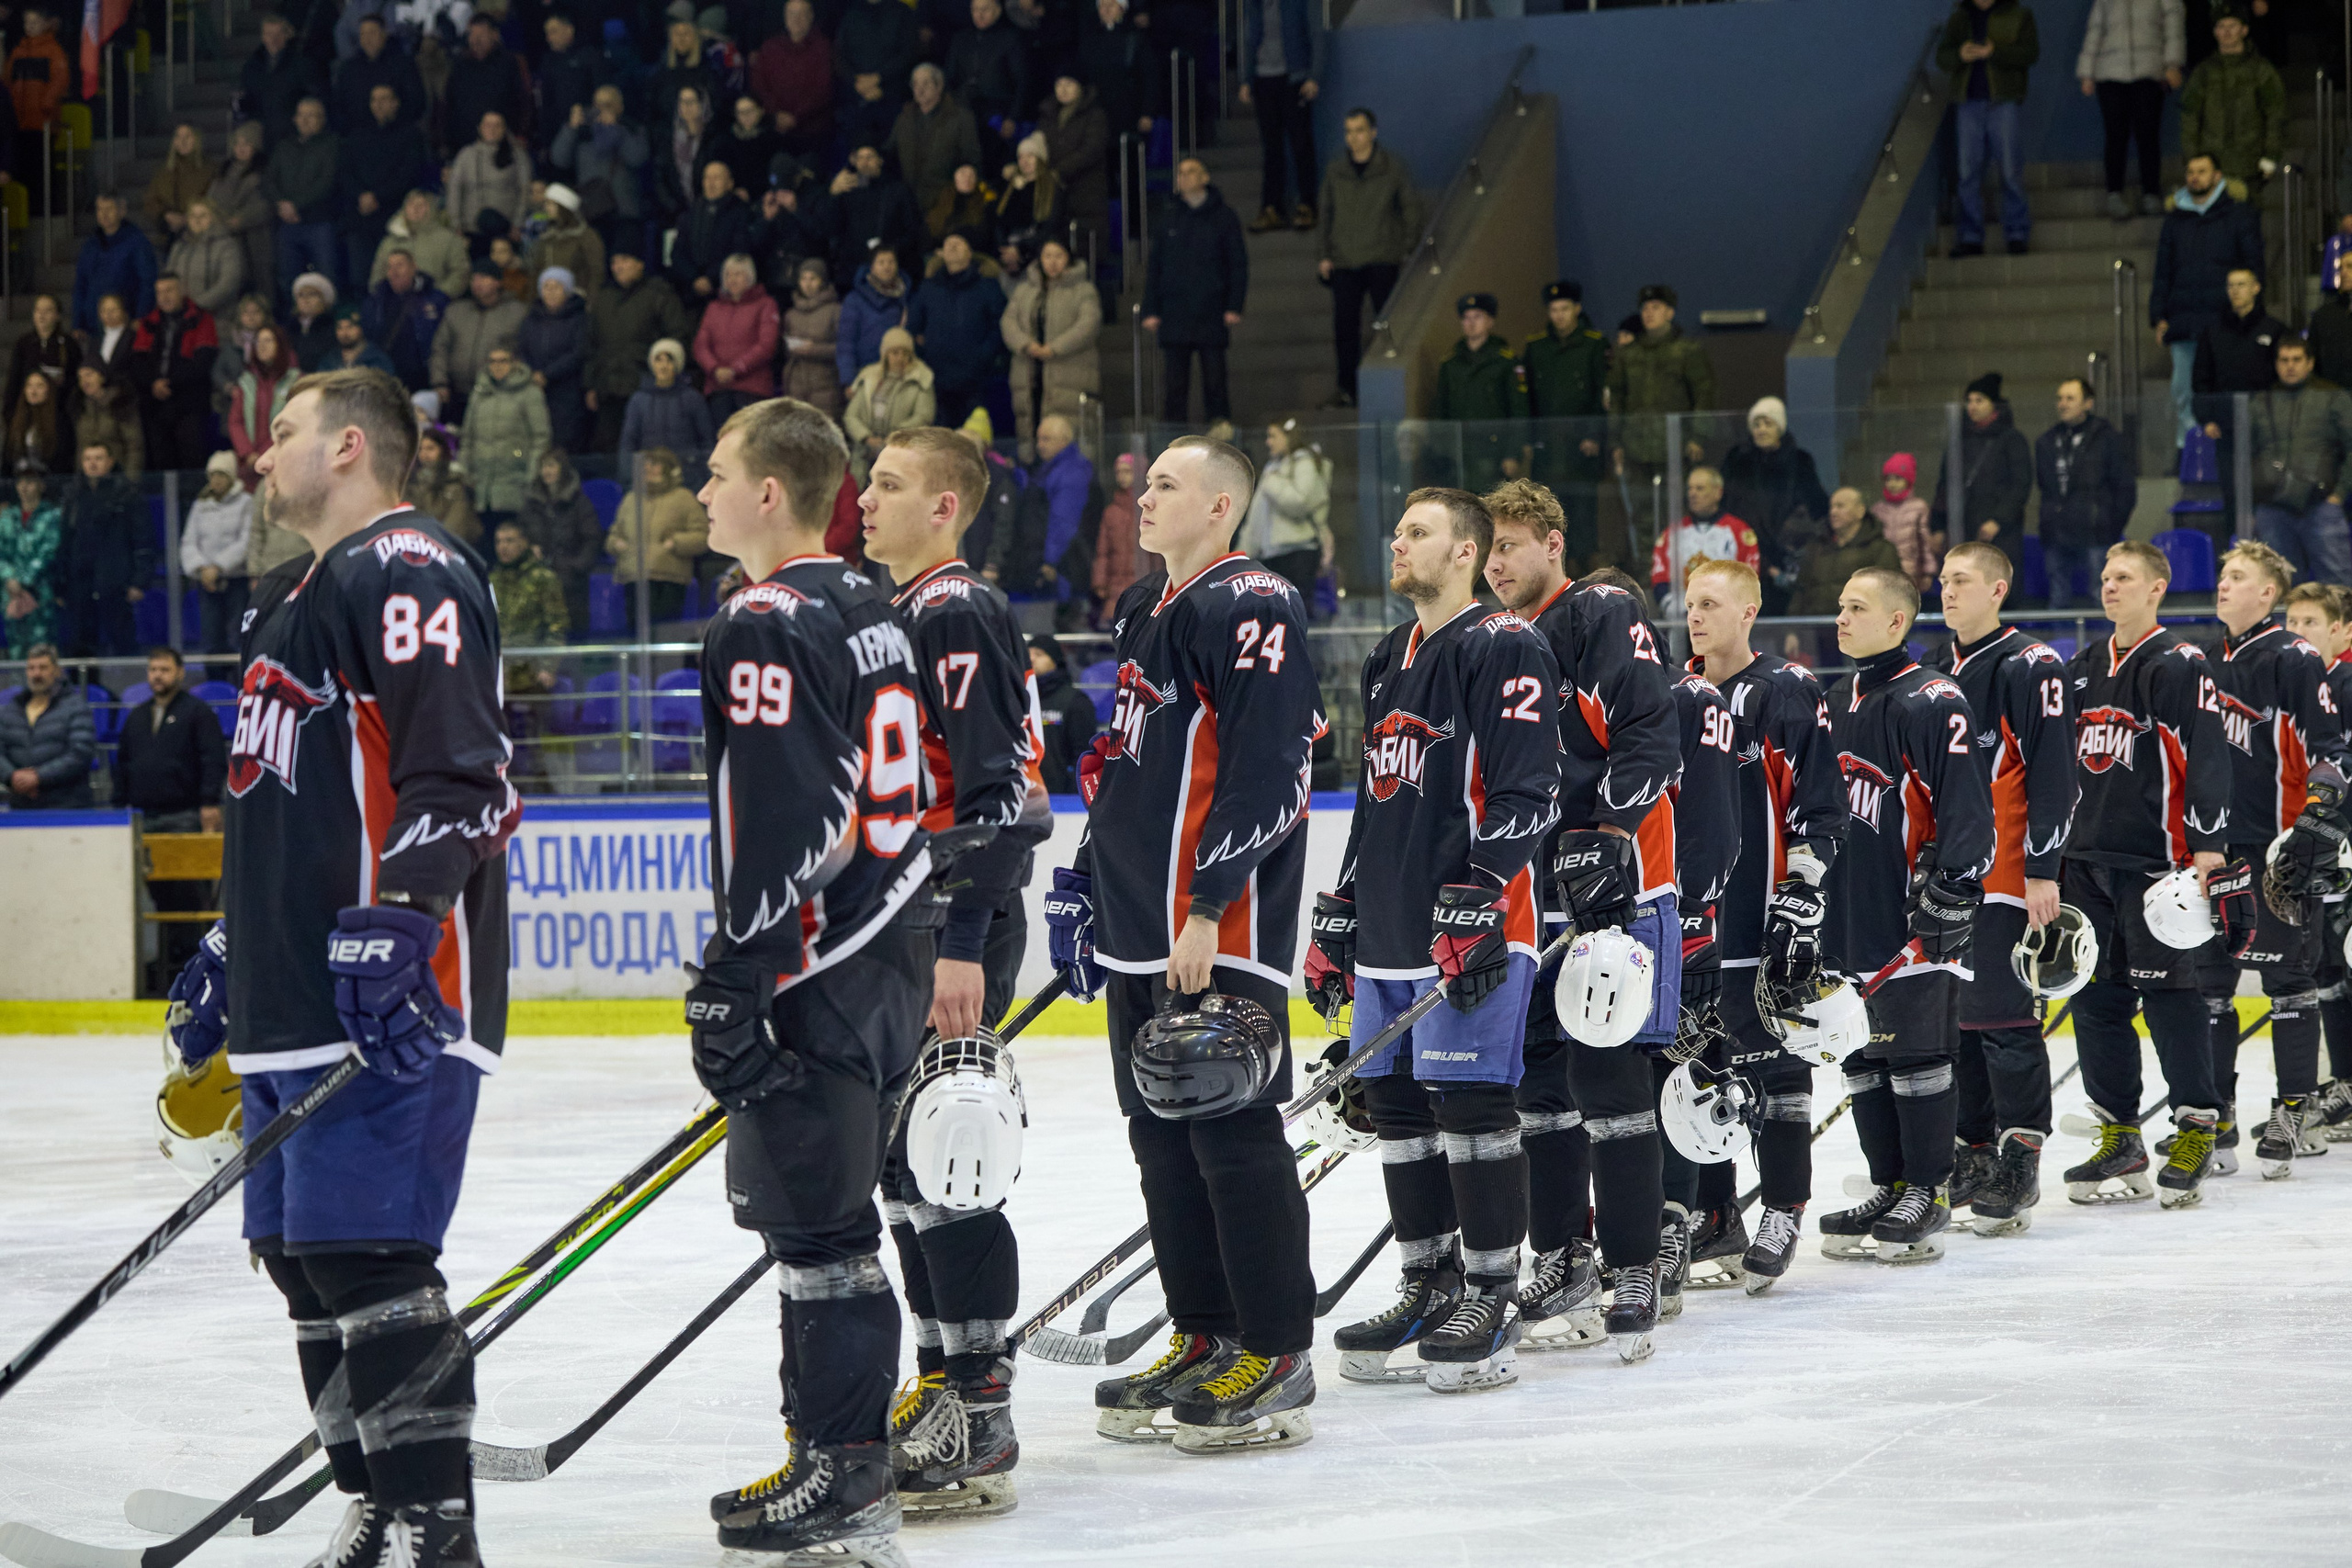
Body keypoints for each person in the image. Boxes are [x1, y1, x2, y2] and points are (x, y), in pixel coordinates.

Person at [159, 367, 516, 1568]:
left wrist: (405, 912)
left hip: (388, 991)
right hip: (292, 990)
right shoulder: (290, 593)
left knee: (371, 1259)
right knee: (303, 1263)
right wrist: (231, 939)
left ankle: (433, 1532)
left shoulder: (408, 565)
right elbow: (281, 799)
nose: (261, 457)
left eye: (284, 432)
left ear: (351, 445)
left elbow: (462, 771)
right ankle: (377, 1506)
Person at [684, 395, 935, 1566]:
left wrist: (737, 970)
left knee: (820, 1232)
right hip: (887, 945)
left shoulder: (762, 617)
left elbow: (788, 808)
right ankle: (828, 1458)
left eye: (716, 472)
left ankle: (847, 1477)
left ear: (770, 492)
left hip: (816, 958)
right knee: (827, 1224)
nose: (702, 492)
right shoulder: (871, 604)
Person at [1046, 435, 1321, 1451]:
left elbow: (1272, 767)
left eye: (1166, 483)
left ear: (1220, 506)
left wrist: (1208, 904)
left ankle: (1277, 1350)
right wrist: (1084, 881)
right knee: (1159, 1135)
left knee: (1231, 1133)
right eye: (1143, 483)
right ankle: (1206, 1332)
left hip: (1215, 923)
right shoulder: (1144, 607)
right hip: (1137, 925)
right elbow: (1122, 764)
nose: (1143, 497)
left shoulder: (1253, 601)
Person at [1309, 483, 1556, 1394]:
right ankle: (1428, 1282)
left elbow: (1530, 788)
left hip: (1474, 924)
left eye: (1417, 531)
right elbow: (1375, 798)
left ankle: (1491, 1292)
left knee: (1473, 1106)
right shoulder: (1387, 654)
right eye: (1396, 529)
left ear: (1465, 552)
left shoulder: (1505, 643)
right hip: (1388, 924)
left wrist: (1483, 893)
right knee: (1399, 1110)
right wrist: (1341, 905)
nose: (1397, 543)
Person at [854, 425, 1054, 1517]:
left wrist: (964, 937)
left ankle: (980, 1407)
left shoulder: (955, 609)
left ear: (945, 507)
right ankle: (940, 1382)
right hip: (906, 925)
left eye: (888, 485)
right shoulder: (902, 612)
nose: (864, 500)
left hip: (949, 926)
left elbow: (1000, 791)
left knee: (950, 1153)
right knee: (905, 1171)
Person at [1470, 479, 1682, 1353]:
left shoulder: (1597, 611)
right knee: (1539, 1090)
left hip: (1617, 886)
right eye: (1487, 550)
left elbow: (1650, 733)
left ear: (1552, 543)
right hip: (1533, 899)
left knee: (1611, 1080)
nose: (1495, 564)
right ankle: (1564, 1255)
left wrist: (1611, 834)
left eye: (1509, 546)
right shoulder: (1493, 642)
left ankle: (1635, 1262)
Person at [1804, 568, 1994, 1263]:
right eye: (1840, 605)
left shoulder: (1932, 698)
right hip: (1845, 911)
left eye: (1856, 607)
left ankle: (1928, 1189)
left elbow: (1967, 805)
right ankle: (1888, 1184)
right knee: (1861, 1053)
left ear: (1896, 622)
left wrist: (1954, 887)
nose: (1841, 617)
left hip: (1910, 913)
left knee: (1916, 1053)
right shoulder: (1835, 699)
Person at [1680, 557, 1847, 1288]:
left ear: (1749, 611)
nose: (1695, 615)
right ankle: (1714, 1213)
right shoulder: (1675, 692)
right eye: (1690, 603)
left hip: (1760, 917)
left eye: (1711, 603)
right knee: (1693, 1065)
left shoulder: (1785, 689)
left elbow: (1821, 802)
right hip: (1690, 921)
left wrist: (1801, 888)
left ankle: (1783, 1206)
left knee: (1777, 1065)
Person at [2061, 539, 2233, 1208]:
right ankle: (2120, 1134)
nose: (2110, 587)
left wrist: (2209, 847)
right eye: (2106, 577)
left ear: (2157, 588)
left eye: (2125, 577)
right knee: (2095, 1001)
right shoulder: (2082, 667)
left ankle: (2196, 1125)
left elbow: (2209, 754)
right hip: (2086, 861)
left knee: (2170, 996)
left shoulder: (2179, 663)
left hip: (2156, 865)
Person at [1924, 542, 2078, 1233]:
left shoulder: (2030, 664)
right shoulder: (1937, 666)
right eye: (1942, 580)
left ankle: (2021, 1153)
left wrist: (2043, 868)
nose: (1947, 590)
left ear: (1997, 589)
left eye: (1961, 580)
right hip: (1950, 878)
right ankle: (1975, 1149)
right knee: (1959, 1021)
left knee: (2005, 1017)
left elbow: (2054, 774)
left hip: (2009, 875)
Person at [2198, 542, 2350, 1176]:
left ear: (2268, 593)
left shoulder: (2293, 656)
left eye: (2237, 577)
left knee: (2289, 981)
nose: (2223, 585)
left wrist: (2314, 824)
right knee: (2209, 985)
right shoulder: (2204, 659)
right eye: (2222, 575)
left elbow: (2330, 750)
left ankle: (2294, 1108)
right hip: (2212, 846)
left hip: (2277, 847)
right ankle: (2218, 1113)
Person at [118, 644, 230, 968]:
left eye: (165, 670)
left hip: (185, 815)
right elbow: (122, 765)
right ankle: (167, 964)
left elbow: (213, 760)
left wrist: (209, 803)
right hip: (144, 817)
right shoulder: (137, 716)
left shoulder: (198, 713)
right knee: (158, 897)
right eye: (153, 670)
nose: (158, 676)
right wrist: (120, 807)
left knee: (191, 896)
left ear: (180, 673)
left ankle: (197, 963)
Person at [1607, 284, 1715, 563]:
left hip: (1676, 448)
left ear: (1670, 312)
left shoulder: (1687, 351)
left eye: (1655, 307)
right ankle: (1648, 571)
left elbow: (1704, 394)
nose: (1649, 313)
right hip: (1636, 448)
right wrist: (1616, 441)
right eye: (1645, 308)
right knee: (1641, 515)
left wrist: (1698, 437)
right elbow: (1617, 400)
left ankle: (1677, 569)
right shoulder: (1628, 354)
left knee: (1676, 513)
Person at [1141, 158, 1248, 426]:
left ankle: (1220, 437)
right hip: (1175, 312)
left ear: (1204, 177)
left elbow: (1237, 263)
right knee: (1174, 386)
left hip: (1211, 309)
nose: (1184, 177)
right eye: (1180, 173)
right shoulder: (1168, 217)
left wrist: (1234, 304)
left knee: (1215, 381)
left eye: (1191, 172)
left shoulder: (1224, 217)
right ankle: (1174, 440)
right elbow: (1155, 267)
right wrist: (1151, 308)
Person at [1938, 0, 2041, 256]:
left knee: (2009, 169)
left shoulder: (2018, 14)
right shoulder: (1960, 18)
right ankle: (1970, 236)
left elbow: (2030, 54)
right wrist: (1960, 55)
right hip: (1968, 101)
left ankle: (2017, 232)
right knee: (1967, 172)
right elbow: (1942, 57)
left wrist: (1995, 52)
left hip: (2002, 100)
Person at [2250, 337, 2352, 583]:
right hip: (2272, 506)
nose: (2290, 366)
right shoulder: (2261, 401)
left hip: (2321, 504)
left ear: (2310, 363)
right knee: (2277, 586)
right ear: (2276, 364)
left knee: (2337, 586)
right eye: (2284, 360)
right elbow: (2247, 453)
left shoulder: (2333, 397)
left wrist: (2339, 493)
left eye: (2297, 359)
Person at [1519, 281, 1607, 564]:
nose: (1559, 315)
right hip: (1548, 444)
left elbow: (1600, 394)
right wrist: (1529, 439)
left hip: (1580, 444)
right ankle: (1555, 561)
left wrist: (1593, 434)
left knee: (1582, 506)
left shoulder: (1594, 344)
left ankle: (1583, 560)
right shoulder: (1536, 347)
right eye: (1554, 309)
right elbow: (1528, 398)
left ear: (1577, 309)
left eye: (1565, 309)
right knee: (1547, 505)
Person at [2034, 378, 2138, 610]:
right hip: (2057, 532)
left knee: (2102, 598)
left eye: (2070, 398)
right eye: (2060, 398)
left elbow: (2124, 487)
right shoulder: (2047, 441)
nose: (2063, 404)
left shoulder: (2108, 439)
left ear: (2088, 403)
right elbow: (2045, 486)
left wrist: (2109, 525)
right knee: (2058, 599)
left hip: (2096, 533)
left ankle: (2104, 636)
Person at [2192, 265, 2287, 515]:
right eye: (2230, 285)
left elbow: (2283, 377)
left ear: (2256, 288)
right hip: (2227, 427)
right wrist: (2206, 417)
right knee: (2232, 493)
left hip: (2266, 428)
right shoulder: (2213, 331)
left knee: (2266, 490)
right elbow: (2201, 379)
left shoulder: (2275, 330)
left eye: (2241, 284)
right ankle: (2235, 539)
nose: (2235, 290)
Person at [2077, 0, 2185, 218]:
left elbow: (2174, 25)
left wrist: (2172, 64)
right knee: (2115, 136)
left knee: (2148, 136)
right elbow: (2095, 29)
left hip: (2149, 72)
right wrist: (2087, 72)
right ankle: (2114, 194)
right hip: (2110, 74)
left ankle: (2151, 193)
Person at [1721, 397, 1828, 607]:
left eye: (1768, 423)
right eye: (1756, 424)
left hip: (1785, 556)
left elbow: (1816, 506)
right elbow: (1725, 504)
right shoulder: (1737, 460)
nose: (1761, 430)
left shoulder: (1799, 462)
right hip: (1743, 550)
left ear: (1780, 427)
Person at [1000, 237, 1098, 457]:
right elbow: (1008, 322)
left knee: (1066, 430)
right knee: (1029, 423)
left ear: (1068, 259)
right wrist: (1026, 345)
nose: (1052, 262)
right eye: (1047, 256)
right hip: (1029, 371)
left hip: (1069, 372)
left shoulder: (1083, 290)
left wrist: (1054, 348)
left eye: (1058, 256)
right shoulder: (1024, 290)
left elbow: (1088, 324)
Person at [588, 249, 690, 452]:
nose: (618, 267)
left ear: (640, 264)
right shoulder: (603, 298)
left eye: (624, 260)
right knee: (608, 448)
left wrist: (662, 375)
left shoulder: (659, 294)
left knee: (645, 448)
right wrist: (590, 384)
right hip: (608, 389)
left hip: (647, 387)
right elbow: (591, 345)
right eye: (614, 262)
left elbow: (677, 338)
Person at [1931, 372, 2032, 573]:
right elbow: (1945, 485)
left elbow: (2020, 484)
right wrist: (1938, 525)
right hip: (1963, 527)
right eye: (1969, 401)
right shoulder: (1959, 440)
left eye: (1979, 400)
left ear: (1993, 404)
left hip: (2000, 532)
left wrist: (1999, 520)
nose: (1972, 406)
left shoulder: (2011, 439)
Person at [2179, 7, 2284, 197]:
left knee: (2246, 213)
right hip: (2210, 165)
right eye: (2221, 26)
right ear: (2214, 32)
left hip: (2250, 163)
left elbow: (2275, 113)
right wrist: (2192, 156)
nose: (2226, 32)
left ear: (2244, 30)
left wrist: (2271, 155)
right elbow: (2190, 114)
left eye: (2232, 26)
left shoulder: (2261, 70)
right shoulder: (2204, 72)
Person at [1431, 292, 1525, 495]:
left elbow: (1518, 409)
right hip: (1459, 452)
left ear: (1490, 321)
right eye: (1466, 318)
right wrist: (1442, 451)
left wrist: (1513, 453)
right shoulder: (1451, 363)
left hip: (1493, 450)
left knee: (1490, 503)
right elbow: (1442, 410)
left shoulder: (1505, 361)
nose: (1471, 323)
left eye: (1477, 317)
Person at [128, 273, 220, 472]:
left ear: (182, 291)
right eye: (160, 292)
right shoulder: (149, 322)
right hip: (155, 405)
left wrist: (169, 383)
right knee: (160, 461)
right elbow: (137, 361)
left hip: (189, 404)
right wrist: (153, 383)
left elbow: (202, 361)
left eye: (169, 290)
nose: (164, 297)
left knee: (191, 459)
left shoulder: (201, 319)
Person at [605, 444, 708, 620]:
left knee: (664, 629)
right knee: (633, 630)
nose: (648, 468)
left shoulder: (683, 498)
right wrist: (616, 544)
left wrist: (675, 543)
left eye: (654, 464)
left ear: (668, 468)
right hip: (633, 577)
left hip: (669, 579)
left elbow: (702, 536)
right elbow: (614, 533)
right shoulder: (631, 499)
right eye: (645, 464)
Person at [1649, 466, 1758, 620]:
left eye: (1700, 488)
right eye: (1690, 488)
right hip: (1683, 621)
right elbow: (1660, 580)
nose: (1692, 494)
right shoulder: (1672, 534)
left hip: (1726, 622)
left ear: (1718, 492)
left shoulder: (1740, 532)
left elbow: (1748, 581)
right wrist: (1682, 611)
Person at [550, 86, 652, 250]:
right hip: (592, 211)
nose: (602, 109)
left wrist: (618, 131)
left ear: (620, 107)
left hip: (624, 212)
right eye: (598, 105)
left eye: (608, 105)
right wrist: (571, 127)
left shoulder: (631, 128)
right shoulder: (584, 133)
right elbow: (559, 160)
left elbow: (638, 158)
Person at [264, 98, 343, 310]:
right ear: (295, 119)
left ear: (322, 119)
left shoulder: (332, 144)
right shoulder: (284, 146)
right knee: (287, 279)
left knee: (326, 278)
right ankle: (295, 322)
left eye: (312, 115)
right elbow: (269, 179)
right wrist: (281, 203)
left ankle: (326, 322)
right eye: (302, 115)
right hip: (287, 224)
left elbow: (327, 182)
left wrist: (295, 205)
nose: (306, 120)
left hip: (319, 222)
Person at [1242, 417, 1331, 604]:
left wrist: (1272, 483)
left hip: (1298, 554)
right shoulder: (1274, 467)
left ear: (1288, 436)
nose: (1268, 442)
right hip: (1272, 554)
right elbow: (1257, 517)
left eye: (1273, 436)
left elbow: (1300, 503)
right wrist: (1243, 554)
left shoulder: (1304, 464)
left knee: (1296, 610)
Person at [462, 344, 551, 528]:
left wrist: (532, 474)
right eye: (492, 361)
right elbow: (468, 437)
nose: (497, 366)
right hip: (481, 485)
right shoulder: (479, 394)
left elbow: (541, 438)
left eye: (503, 361)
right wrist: (466, 471)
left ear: (515, 363)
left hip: (516, 481)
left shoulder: (530, 393)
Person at [517, 448, 599, 638]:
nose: (546, 471)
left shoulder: (579, 502)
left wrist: (577, 567)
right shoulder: (531, 504)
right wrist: (529, 549)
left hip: (570, 578)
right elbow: (520, 533)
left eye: (551, 465)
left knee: (572, 631)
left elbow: (592, 538)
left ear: (563, 469)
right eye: (543, 466)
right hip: (536, 575)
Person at [0, 643, 96, 807]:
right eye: (31, 668)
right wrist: (12, 777)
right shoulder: (11, 710)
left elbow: (80, 753)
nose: (36, 674)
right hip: (22, 805)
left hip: (66, 805)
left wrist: (38, 777)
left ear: (57, 671)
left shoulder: (77, 707)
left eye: (43, 667)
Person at [431, 263, 529, 422]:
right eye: (473, 278)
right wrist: (439, 382)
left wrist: (514, 384)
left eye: (483, 277)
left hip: (498, 394)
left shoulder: (517, 313)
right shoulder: (456, 311)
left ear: (497, 281)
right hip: (456, 394)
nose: (477, 283)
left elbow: (524, 351)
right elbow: (440, 348)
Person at [1790, 486, 1902, 618]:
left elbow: (1889, 594)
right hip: (1816, 626)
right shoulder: (1816, 548)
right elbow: (1800, 590)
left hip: (1860, 626)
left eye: (1840, 506)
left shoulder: (1880, 549)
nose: (1833, 512)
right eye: (1831, 507)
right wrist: (1792, 626)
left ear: (1860, 511)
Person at [691, 253, 779, 421]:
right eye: (727, 275)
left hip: (753, 388)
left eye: (737, 274)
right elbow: (700, 345)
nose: (732, 279)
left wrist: (736, 369)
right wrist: (714, 368)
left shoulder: (766, 304)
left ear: (750, 277)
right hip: (718, 388)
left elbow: (767, 345)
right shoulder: (714, 307)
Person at [826, 144, 926, 290]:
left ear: (880, 160)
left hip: (893, 269)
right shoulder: (847, 191)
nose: (864, 162)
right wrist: (833, 194)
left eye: (869, 157)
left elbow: (913, 230)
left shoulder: (897, 190)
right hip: (854, 272)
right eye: (860, 158)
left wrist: (891, 250)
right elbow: (831, 227)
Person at [517, 266, 595, 451]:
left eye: (556, 287)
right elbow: (521, 349)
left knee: (563, 442)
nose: (550, 292)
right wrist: (532, 374)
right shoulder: (531, 318)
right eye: (546, 287)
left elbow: (578, 353)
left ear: (567, 290)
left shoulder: (580, 318)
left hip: (567, 392)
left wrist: (547, 375)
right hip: (534, 388)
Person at [183, 453, 255, 654]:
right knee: (210, 636)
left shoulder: (246, 502)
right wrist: (202, 569)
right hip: (207, 582)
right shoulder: (200, 504)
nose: (216, 480)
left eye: (221, 474)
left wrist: (219, 566)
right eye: (212, 475)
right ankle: (213, 674)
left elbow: (246, 540)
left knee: (237, 635)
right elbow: (189, 541)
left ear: (231, 476)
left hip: (236, 580)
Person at [835, 0, 924, 152]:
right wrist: (856, 83)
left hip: (892, 99)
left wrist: (879, 78)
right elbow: (839, 54)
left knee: (891, 155)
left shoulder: (902, 12)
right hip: (856, 99)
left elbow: (908, 54)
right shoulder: (851, 13)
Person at [748, 0, 832, 156]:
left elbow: (823, 90)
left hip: (812, 131)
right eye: (792, 14)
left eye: (802, 14)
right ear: (784, 17)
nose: (796, 19)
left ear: (811, 17)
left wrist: (796, 117)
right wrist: (776, 114)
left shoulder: (823, 48)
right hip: (774, 127)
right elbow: (759, 85)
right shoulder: (770, 47)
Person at [620, 337, 717, 473]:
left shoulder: (693, 399)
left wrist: (705, 475)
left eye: (669, 360)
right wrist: (629, 478)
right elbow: (628, 443)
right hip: (649, 476)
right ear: (652, 364)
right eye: (658, 360)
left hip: (686, 476)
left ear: (677, 365)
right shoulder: (638, 400)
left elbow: (706, 441)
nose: (663, 366)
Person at [444, 13, 532, 157]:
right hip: (465, 147)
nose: (476, 40)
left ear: (495, 35)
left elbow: (524, 102)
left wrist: (522, 134)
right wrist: (446, 142)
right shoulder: (460, 65)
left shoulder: (511, 63)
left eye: (482, 35)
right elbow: (449, 104)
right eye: (472, 35)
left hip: (504, 147)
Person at [363, 251, 452, 394]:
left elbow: (443, 341)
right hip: (387, 373)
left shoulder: (435, 299)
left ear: (414, 267)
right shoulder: (376, 301)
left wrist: (440, 379)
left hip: (424, 375)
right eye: (389, 267)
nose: (394, 272)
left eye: (400, 265)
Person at [209, 123, 277, 308]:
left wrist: (240, 219)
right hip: (225, 236)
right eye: (237, 144)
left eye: (246, 144)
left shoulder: (264, 172)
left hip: (256, 238)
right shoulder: (223, 172)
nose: (241, 148)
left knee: (261, 279)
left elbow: (265, 204)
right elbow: (211, 201)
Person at [72, 193, 160, 335]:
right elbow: (81, 284)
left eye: (109, 209)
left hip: (125, 323)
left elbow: (147, 282)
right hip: (93, 324)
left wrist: (141, 316)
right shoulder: (91, 245)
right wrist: (78, 323)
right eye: (100, 209)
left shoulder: (137, 242)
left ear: (122, 210)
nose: (104, 214)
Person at [331, 14, 427, 137]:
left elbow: (416, 102)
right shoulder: (348, 68)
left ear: (384, 34)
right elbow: (339, 104)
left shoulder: (402, 65)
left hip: (396, 135)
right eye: (363, 34)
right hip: (358, 135)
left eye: (372, 33)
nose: (368, 39)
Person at [240, 11, 326, 149]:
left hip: (292, 136)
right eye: (269, 34)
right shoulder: (251, 68)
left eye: (278, 34)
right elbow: (246, 100)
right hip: (262, 137)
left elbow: (314, 96)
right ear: (263, 37)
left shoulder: (301, 64)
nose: (273, 39)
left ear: (287, 35)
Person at [228, 324, 300, 487]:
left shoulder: (295, 382)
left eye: (268, 341)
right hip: (249, 465)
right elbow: (235, 421)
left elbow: (292, 423)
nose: (262, 346)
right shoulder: (247, 381)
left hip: (282, 461)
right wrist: (247, 453)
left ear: (280, 345)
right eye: (258, 341)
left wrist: (264, 453)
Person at [1026, 632, 1099, 793]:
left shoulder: (1076, 701)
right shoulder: (1020, 700)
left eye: (1039, 654)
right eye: (1028, 654)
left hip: (1065, 797)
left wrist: (1074, 792)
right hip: (1027, 794)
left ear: (1055, 660)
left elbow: (1084, 754)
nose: (1031, 659)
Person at [0, 471, 62, 658]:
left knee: (41, 652)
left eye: (30, 482)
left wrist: (23, 581)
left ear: (41, 486)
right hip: (11, 595)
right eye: (20, 483)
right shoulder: (7, 517)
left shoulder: (52, 516)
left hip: (41, 595)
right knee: (15, 648)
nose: (24, 487)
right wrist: (10, 578)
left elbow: (49, 552)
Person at [447, 112, 534, 243]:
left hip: (504, 230)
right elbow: (454, 190)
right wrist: (456, 224)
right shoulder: (466, 154)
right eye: (487, 125)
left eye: (497, 125)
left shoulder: (517, 155)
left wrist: (517, 223)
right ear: (480, 128)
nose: (492, 129)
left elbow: (525, 191)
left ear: (504, 129)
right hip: (469, 229)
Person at [1040, 76, 1110, 238]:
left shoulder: (1095, 115)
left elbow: (1092, 149)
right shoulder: (1048, 114)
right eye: (1059, 84)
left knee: (1083, 239)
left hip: (1086, 190)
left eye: (1069, 84)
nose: (1063, 90)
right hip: (1055, 190)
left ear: (1080, 86)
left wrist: (1059, 171)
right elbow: (1038, 144)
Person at [370, 191, 471, 292]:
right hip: (395, 298)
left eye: (421, 205)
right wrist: (383, 294)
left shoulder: (448, 239)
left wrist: (440, 294)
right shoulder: (389, 242)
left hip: (435, 297)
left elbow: (460, 272)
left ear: (431, 209)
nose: (415, 209)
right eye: (411, 204)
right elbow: (378, 274)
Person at [839, 248, 911, 386]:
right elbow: (846, 342)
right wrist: (848, 379)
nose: (887, 267)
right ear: (872, 268)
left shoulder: (906, 299)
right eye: (881, 262)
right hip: (864, 375)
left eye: (891, 262)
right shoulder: (855, 299)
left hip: (898, 376)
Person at [167, 200, 250, 318]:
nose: (197, 220)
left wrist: (197, 306)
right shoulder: (179, 247)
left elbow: (229, 283)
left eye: (203, 216)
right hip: (183, 317)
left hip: (217, 318)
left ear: (214, 218)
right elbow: (169, 279)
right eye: (192, 216)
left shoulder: (227, 246)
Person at [1871, 453, 1939, 595]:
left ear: (1908, 480)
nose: (1892, 483)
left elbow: (1924, 542)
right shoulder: (1878, 509)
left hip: (1911, 572)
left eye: (1898, 478)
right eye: (1888, 479)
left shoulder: (1918, 507)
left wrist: (1928, 572)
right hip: (1884, 572)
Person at [525, 186, 608, 300]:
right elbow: (537, 272)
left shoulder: (587, 237)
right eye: (546, 203)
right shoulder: (547, 238)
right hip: (548, 302)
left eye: (551, 204)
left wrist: (590, 302)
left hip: (577, 301)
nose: (546, 208)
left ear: (564, 207)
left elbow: (596, 273)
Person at [782, 258, 842, 416]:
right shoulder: (791, 314)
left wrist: (814, 349)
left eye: (813, 279)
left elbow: (844, 348)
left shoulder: (835, 311)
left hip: (826, 384)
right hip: (796, 383)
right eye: (803, 279)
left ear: (822, 281)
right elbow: (783, 349)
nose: (807, 284)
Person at [402, 427, 481, 547]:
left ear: (442, 450)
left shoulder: (455, 482)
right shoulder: (411, 483)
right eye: (420, 449)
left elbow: (456, 525)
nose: (424, 454)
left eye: (430, 448)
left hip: (445, 547)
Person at [7, 295, 80, 420]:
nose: (42, 315)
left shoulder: (69, 344)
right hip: (27, 413)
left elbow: (74, 378)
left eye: (48, 311)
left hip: (59, 412)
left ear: (57, 315)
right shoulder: (23, 343)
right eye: (38, 310)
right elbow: (14, 380)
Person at [145, 123, 216, 246]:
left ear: (196, 139)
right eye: (178, 137)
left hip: (200, 232)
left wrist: (188, 218)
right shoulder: (164, 171)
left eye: (187, 136)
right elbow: (151, 200)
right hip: (169, 232)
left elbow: (213, 200)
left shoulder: (209, 170)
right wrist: (166, 215)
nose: (183, 141)